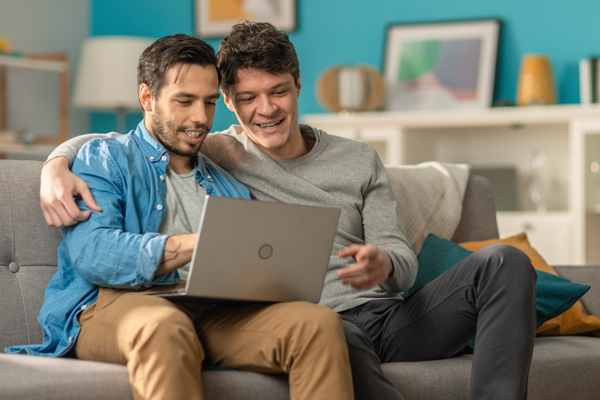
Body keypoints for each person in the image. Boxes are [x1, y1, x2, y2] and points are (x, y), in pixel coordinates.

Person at [38, 22, 538, 400]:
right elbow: (134, 142)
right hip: (315, 316)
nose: (267, 110)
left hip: (388, 313)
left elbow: (400, 259)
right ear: (232, 104)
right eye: (247, 98)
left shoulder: (351, 160)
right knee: (322, 326)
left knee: (506, 261)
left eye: (278, 92)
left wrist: (384, 264)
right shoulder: (217, 149)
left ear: (297, 85)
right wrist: (56, 163)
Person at [6, 34, 356, 400]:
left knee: (316, 324)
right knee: (164, 325)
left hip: (210, 308)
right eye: (184, 101)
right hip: (113, 304)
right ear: (147, 97)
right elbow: (95, 253)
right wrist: (197, 245)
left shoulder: (227, 182)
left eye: (208, 102)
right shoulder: (105, 159)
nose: (200, 118)